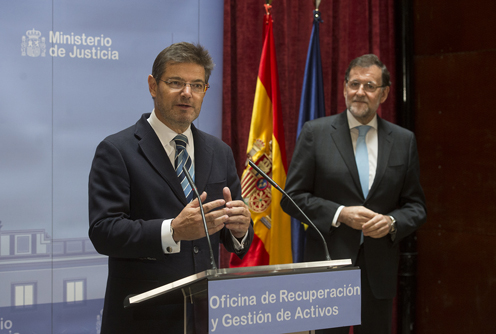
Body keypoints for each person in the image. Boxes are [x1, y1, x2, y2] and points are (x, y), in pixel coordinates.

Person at [88, 42, 254, 333]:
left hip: (206, 316)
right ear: (153, 86)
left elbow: (230, 235)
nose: (187, 93)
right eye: (176, 82)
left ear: (205, 91)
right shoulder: (117, 150)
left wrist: (240, 229)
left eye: (197, 85)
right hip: (143, 318)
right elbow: (104, 232)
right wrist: (173, 231)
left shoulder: (219, 151)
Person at [280, 54, 427, 334]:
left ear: (383, 94)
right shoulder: (316, 133)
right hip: (328, 267)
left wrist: (392, 223)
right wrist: (340, 214)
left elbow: (416, 206)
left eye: (370, 86)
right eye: (354, 84)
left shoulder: (403, 140)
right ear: (345, 87)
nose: (360, 92)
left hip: (378, 272)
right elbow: (292, 198)